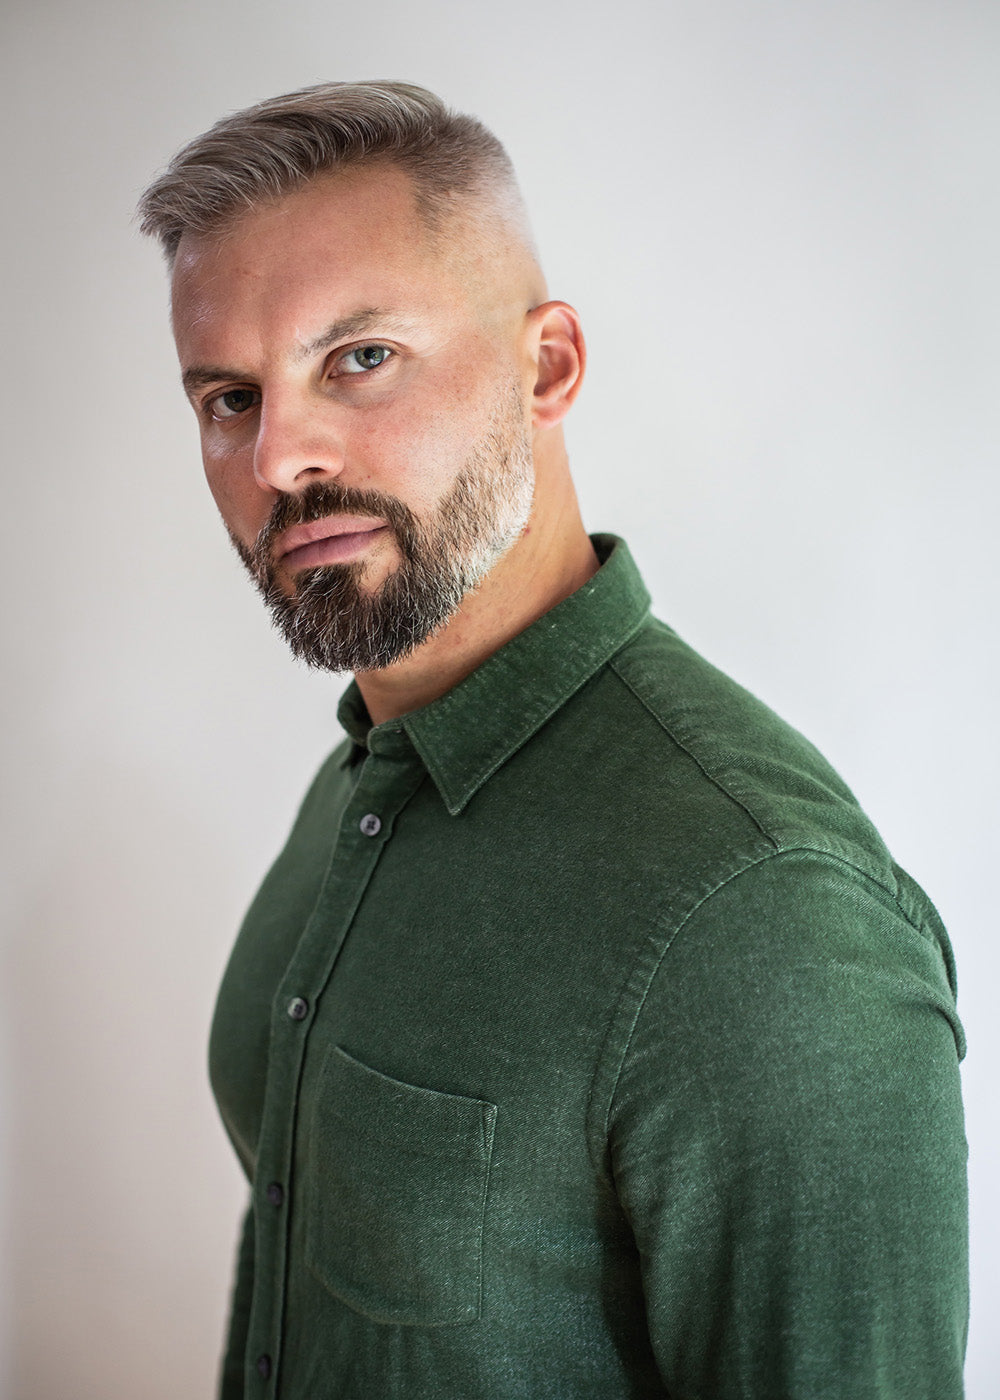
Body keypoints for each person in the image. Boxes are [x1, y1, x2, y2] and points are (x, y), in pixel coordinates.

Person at [138, 81, 968, 1400]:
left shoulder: (766, 917)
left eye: (358, 358)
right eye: (229, 397)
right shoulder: (369, 762)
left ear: (548, 366)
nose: (279, 456)